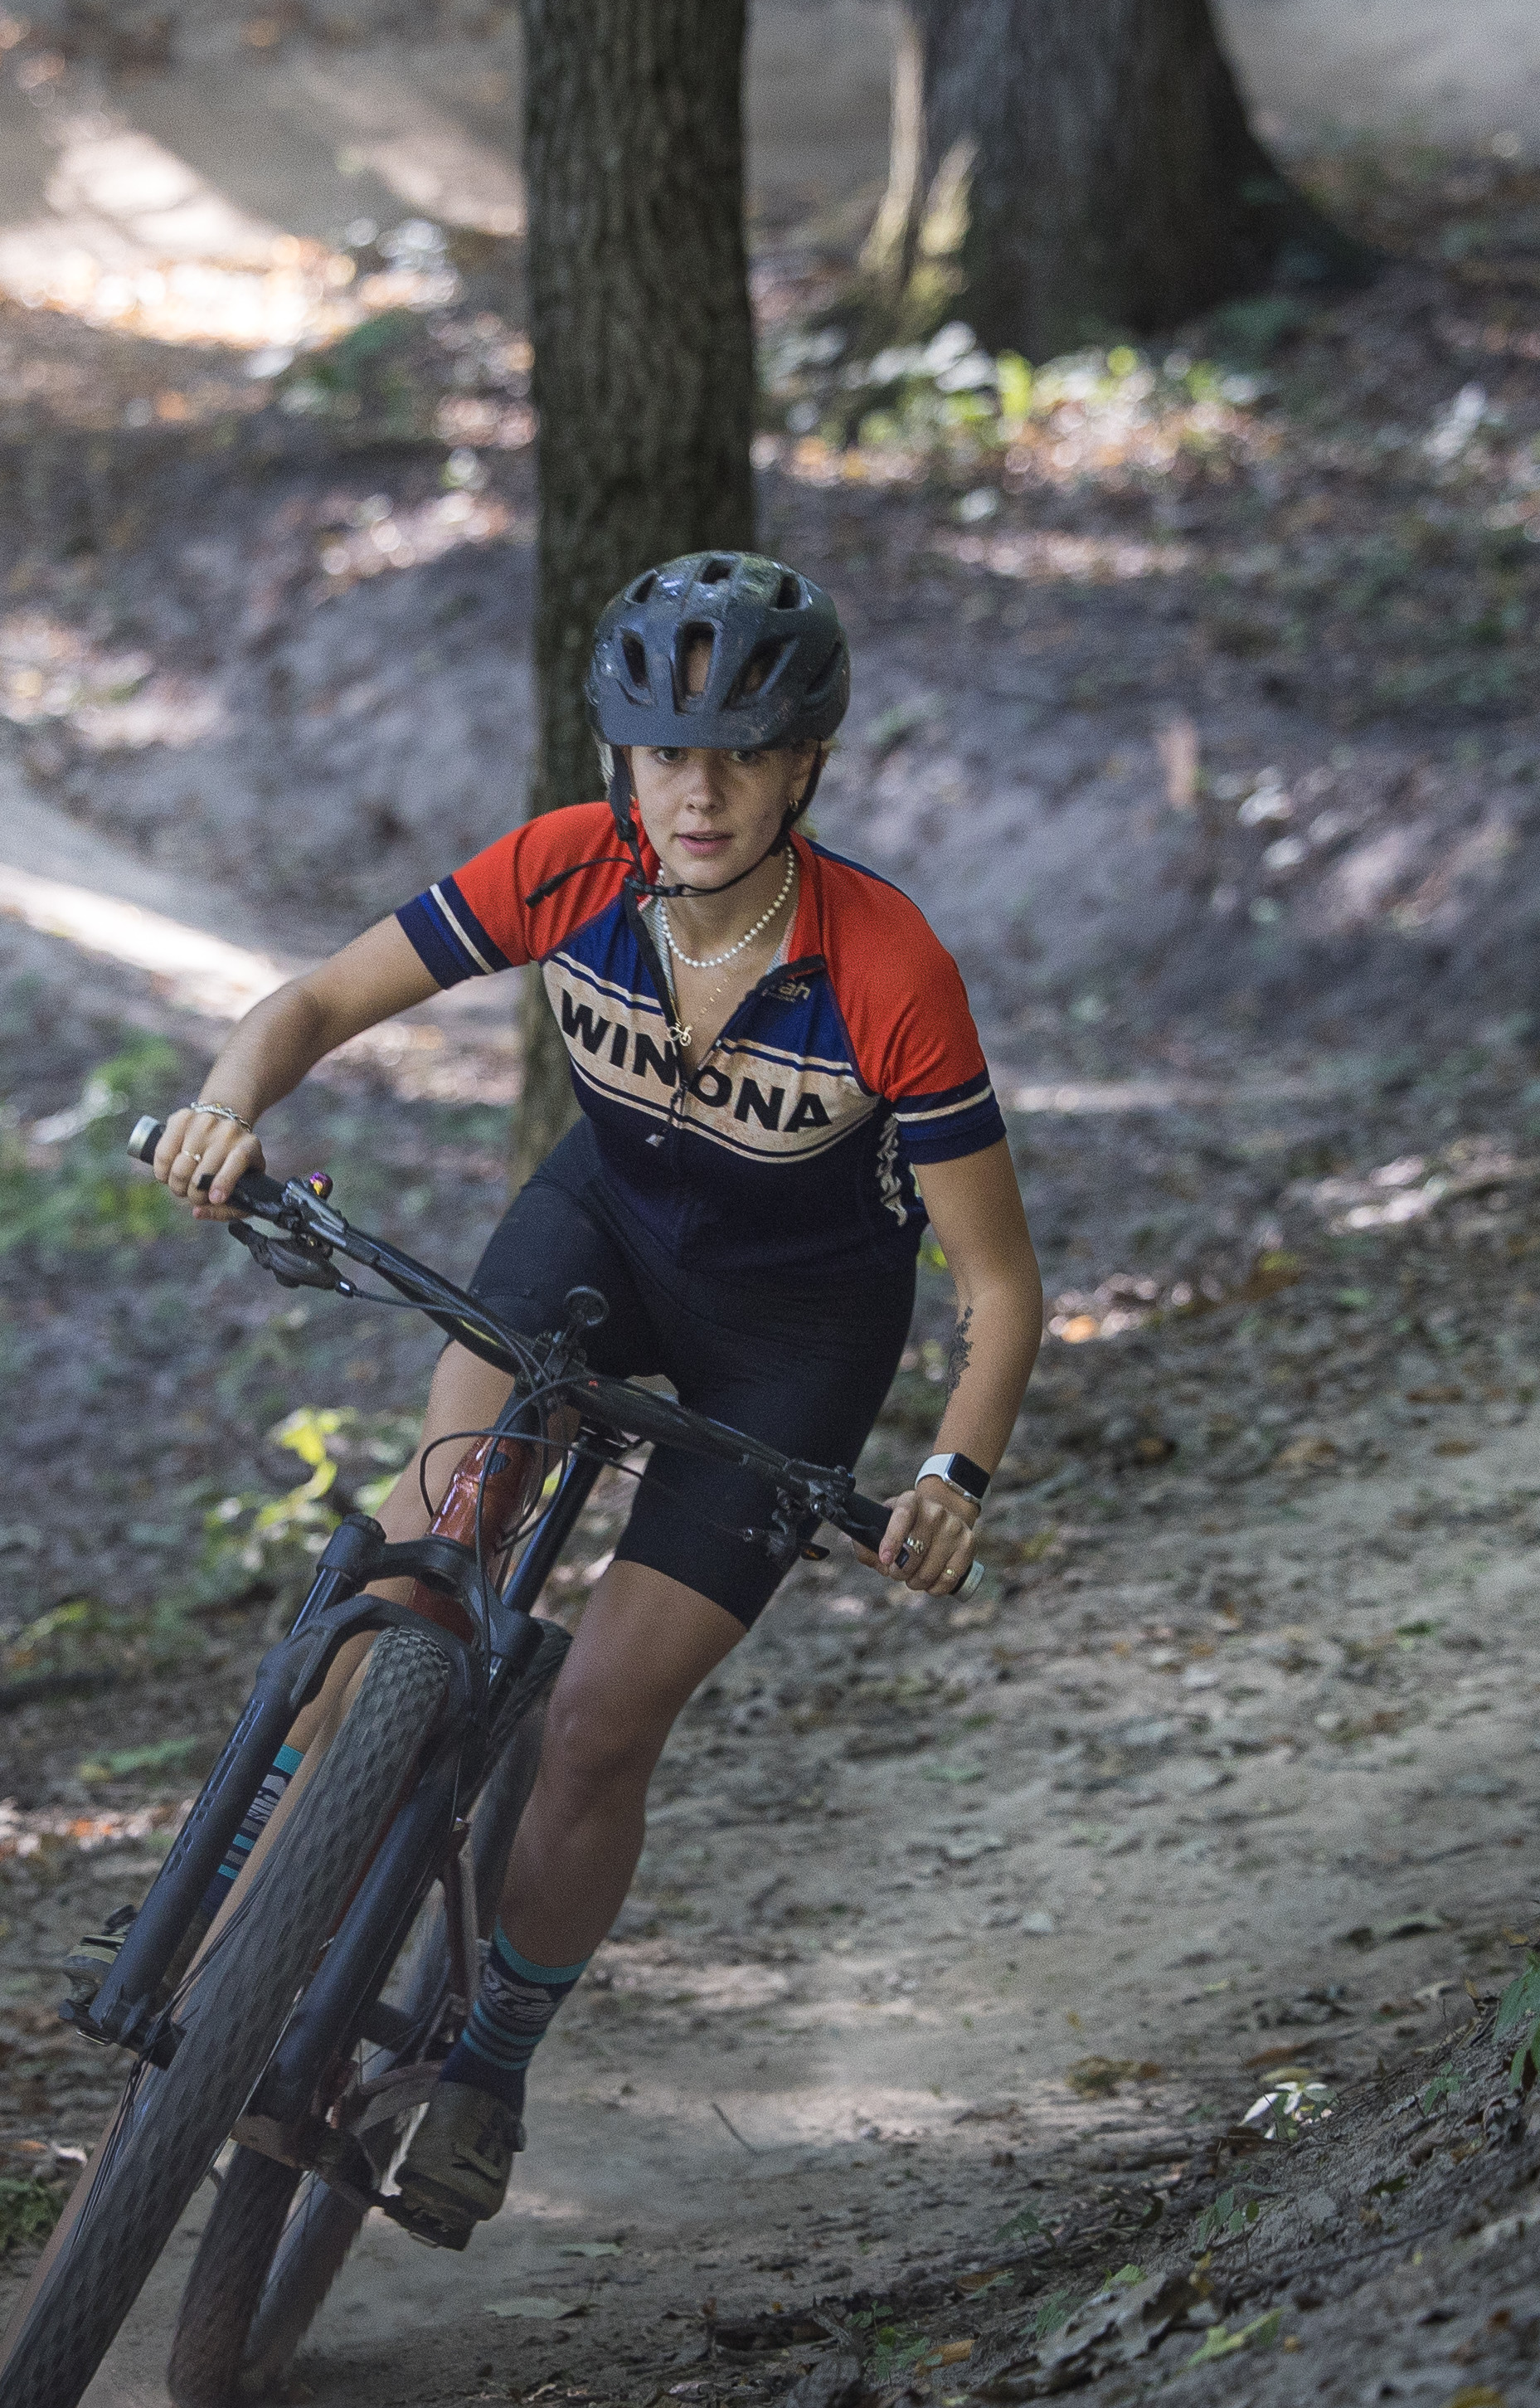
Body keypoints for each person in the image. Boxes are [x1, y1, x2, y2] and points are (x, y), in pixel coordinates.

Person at [138, 552, 1046, 2245]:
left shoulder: (888, 968)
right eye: (662, 752)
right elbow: (322, 999)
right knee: (419, 1550)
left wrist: (956, 1475)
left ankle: (486, 2064)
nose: (695, 791)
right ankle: (273, 1885)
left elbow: (1003, 1289)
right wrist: (225, 1105)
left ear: (805, 770)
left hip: (799, 1332)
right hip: (603, 1231)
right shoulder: (573, 869)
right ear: (620, 761)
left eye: (740, 755)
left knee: (600, 1720)